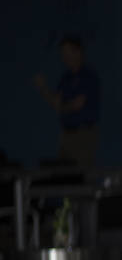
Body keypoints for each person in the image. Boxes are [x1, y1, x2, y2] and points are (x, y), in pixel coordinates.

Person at [32, 35, 101, 167]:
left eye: (67, 52)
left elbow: (77, 105)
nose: (64, 57)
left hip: (83, 134)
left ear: (78, 52)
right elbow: (56, 102)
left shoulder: (89, 76)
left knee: (81, 174)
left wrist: (62, 108)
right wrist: (43, 88)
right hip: (66, 134)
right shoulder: (66, 78)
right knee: (63, 173)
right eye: (62, 53)